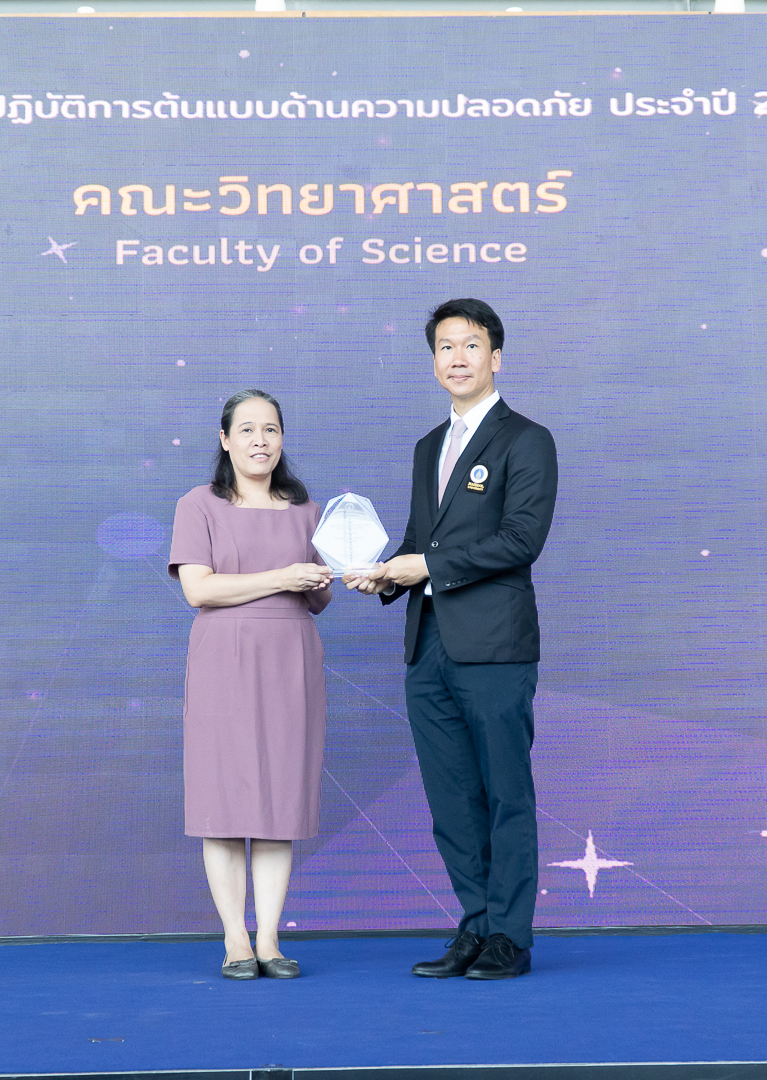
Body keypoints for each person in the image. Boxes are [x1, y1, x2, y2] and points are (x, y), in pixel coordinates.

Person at [345, 299, 558, 980]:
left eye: (470, 345)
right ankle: (475, 925)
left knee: (505, 794)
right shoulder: (427, 447)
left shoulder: (527, 439)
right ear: (432, 361)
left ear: (496, 356)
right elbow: (422, 539)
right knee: (451, 800)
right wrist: (385, 577)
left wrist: (428, 569)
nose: (457, 358)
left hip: (494, 646)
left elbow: (521, 540)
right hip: (428, 644)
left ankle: (509, 937)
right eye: (445, 347)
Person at [169, 389, 334, 980]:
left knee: (277, 804)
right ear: (225, 440)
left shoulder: (307, 510)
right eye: (246, 429)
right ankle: (234, 938)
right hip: (223, 659)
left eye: (271, 429)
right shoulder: (198, 504)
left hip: (290, 660)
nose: (260, 440)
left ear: (282, 438)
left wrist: (337, 573)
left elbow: (318, 599)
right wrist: (283, 576)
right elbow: (199, 589)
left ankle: (269, 939)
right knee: (222, 804)